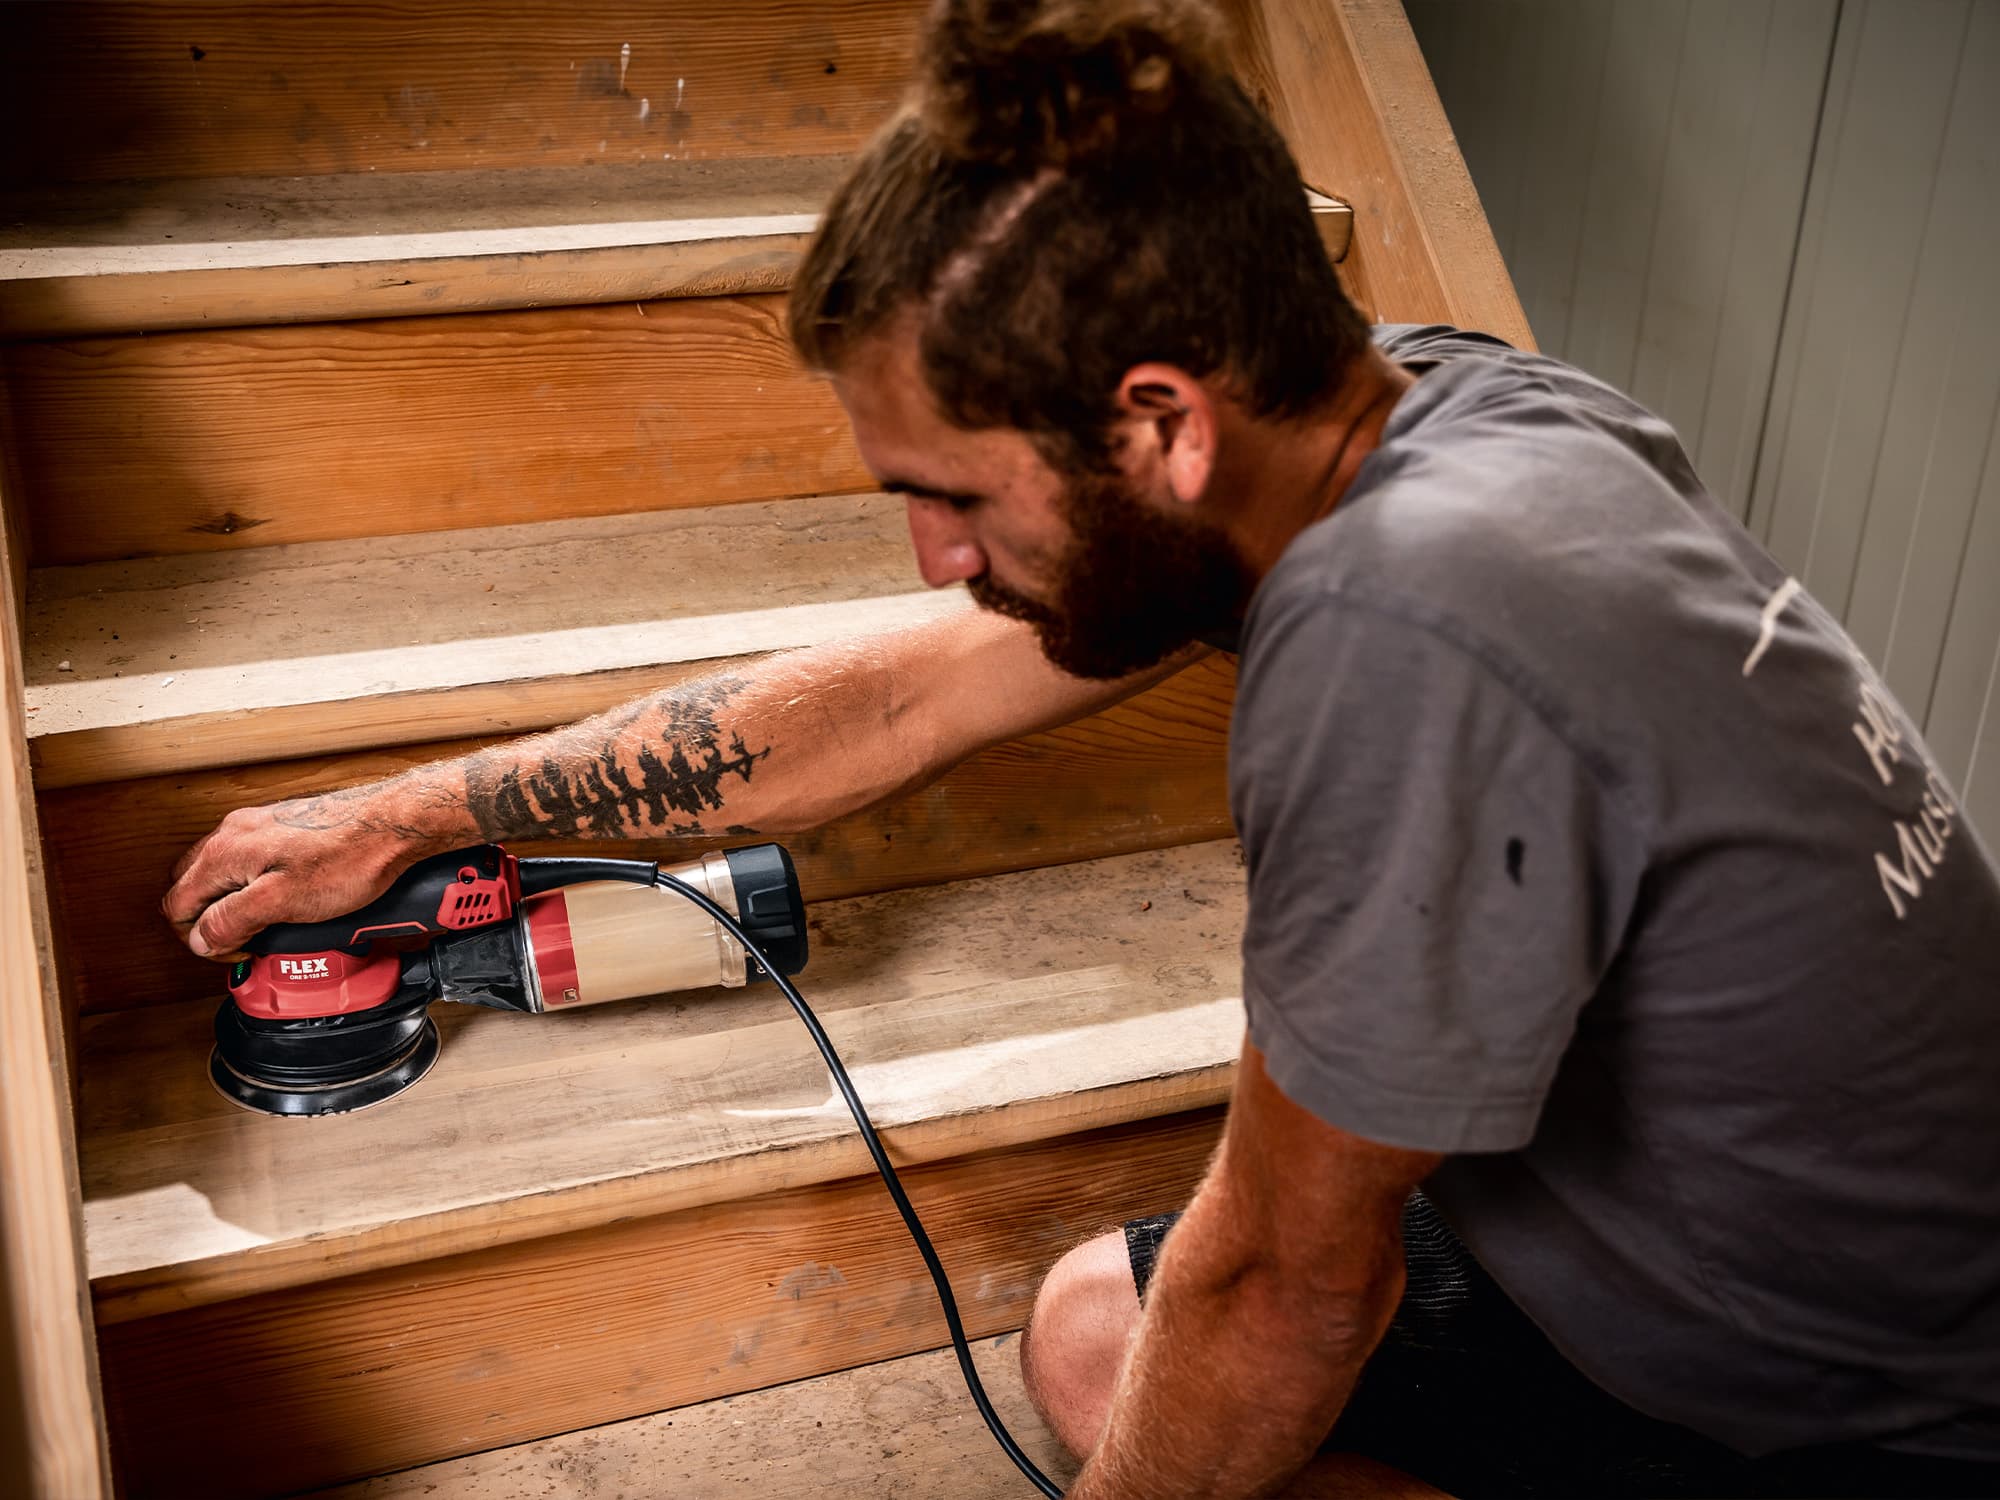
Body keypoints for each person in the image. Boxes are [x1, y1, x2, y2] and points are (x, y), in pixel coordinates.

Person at [163, 1, 2000, 1495]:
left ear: (1160, 425)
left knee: (1210, 1345)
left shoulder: (1401, 631)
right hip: (1708, 1288)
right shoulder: (1445, 408)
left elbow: (1292, 1281)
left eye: (953, 498)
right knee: (1101, 1334)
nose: (936, 559)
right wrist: (404, 813)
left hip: (1876, 1417)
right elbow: (897, 698)